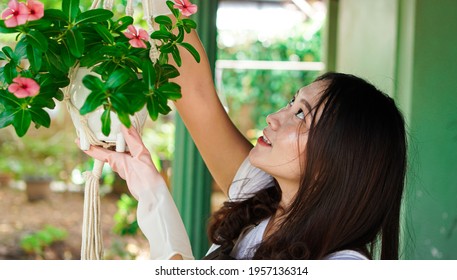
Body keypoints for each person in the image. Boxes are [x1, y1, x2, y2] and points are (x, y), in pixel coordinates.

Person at [80, 4, 407, 260]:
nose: (275, 117)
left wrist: (156, 203)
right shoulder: (261, 201)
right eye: (292, 102)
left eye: (301, 115)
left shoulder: (342, 265)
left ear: (341, 159)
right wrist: (149, 185)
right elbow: (196, 94)